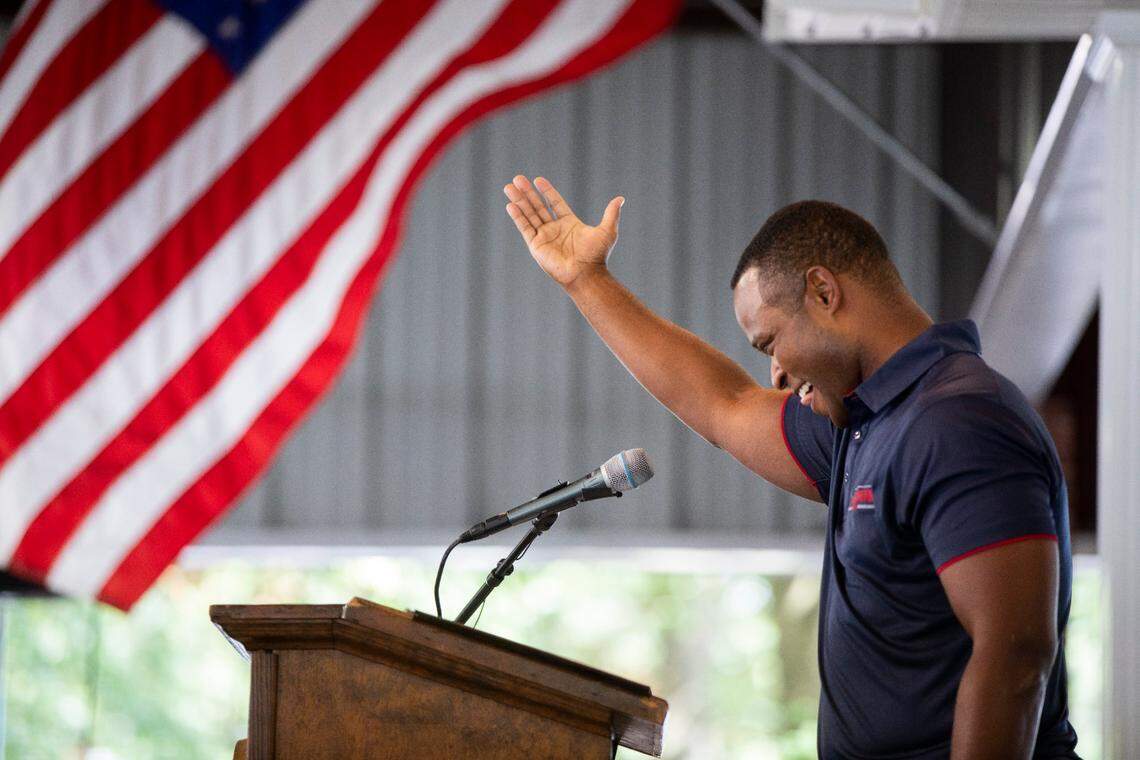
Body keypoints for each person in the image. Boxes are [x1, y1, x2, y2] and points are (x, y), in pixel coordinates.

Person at [502, 175, 1079, 759]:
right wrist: (587, 281)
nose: (775, 372)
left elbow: (1016, 652)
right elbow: (722, 404)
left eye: (770, 341)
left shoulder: (957, 421)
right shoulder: (864, 424)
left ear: (824, 292)